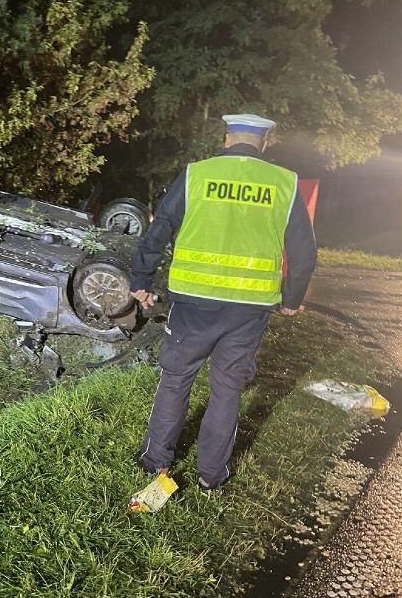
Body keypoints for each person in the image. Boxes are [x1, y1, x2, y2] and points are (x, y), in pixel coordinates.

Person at [129, 113, 317, 492]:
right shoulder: (285, 182)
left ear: (228, 137)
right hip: (249, 308)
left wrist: (142, 279)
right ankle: (211, 475)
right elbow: (304, 251)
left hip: (193, 303)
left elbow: (161, 224)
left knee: (175, 380)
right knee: (227, 389)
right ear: (264, 143)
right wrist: (291, 299)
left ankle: (155, 462)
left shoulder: (197, 174)